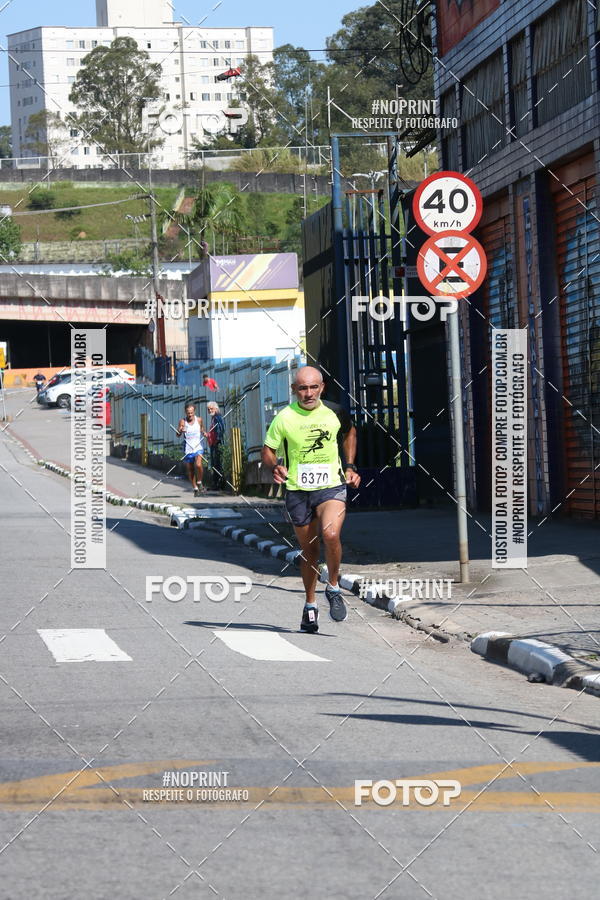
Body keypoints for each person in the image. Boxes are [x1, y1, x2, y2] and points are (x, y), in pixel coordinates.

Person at [261, 366, 361, 634]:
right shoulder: (284, 417)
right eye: (302, 388)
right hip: (298, 491)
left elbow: (350, 432)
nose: (308, 393)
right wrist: (274, 466)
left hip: (331, 487)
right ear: (294, 390)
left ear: (322, 387)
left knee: (330, 534)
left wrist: (350, 466)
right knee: (310, 552)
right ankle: (310, 606)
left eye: (313, 387)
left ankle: (334, 587)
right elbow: (268, 450)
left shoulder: (335, 412)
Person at [176, 402, 207, 496]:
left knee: (198, 464)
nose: (190, 415)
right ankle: (195, 488)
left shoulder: (199, 420)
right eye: (188, 413)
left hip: (198, 446)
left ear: (194, 411)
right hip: (188, 448)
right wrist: (181, 430)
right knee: (190, 469)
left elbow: (201, 429)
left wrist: (204, 433)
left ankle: (199, 482)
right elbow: (177, 435)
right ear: (185, 412)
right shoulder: (183, 421)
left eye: (191, 412)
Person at [207, 401, 225, 490]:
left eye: (211, 408)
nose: (210, 410)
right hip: (213, 444)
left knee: (217, 464)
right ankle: (215, 484)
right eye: (208, 409)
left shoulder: (217, 417)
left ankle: (218, 484)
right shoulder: (214, 418)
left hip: (217, 444)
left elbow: (221, 429)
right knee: (215, 464)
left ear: (216, 408)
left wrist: (217, 440)